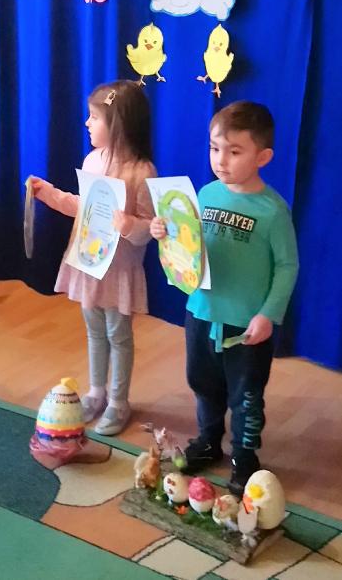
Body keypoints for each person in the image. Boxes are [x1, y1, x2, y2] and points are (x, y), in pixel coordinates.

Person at [150, 101, 299, 494]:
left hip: (246, 324)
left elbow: (288, 266)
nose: (221, 160)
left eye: (234, 151)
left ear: (262, 157)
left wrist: (269, 314)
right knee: (203, 383)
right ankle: (208, 441)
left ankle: (245, 458)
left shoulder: (272, 210)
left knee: (245, 394)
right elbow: (190, 245)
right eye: (215, 148)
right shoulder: (206, 194)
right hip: (201, 311)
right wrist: (164, 231)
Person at [32, 80, 156, 436]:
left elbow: (151, 227)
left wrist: (131, 225)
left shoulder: (142, 172)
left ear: (118, 124)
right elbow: (83, 206)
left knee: (118, 334)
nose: (87, 123)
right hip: (90, 263)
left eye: (94, 117)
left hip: (119, 270)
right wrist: (49, 194)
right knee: (95, 331)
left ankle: (118, 401)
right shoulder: (92, 160)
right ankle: (97, 392)